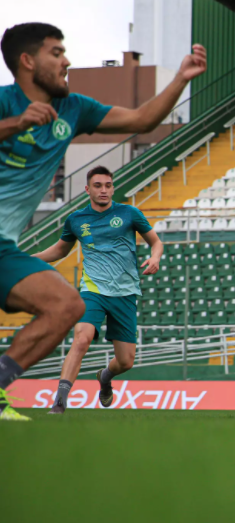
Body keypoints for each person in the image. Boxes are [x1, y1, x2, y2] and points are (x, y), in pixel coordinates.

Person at [0, 23, 206, 421]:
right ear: (28, 61)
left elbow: (143, 119)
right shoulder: (5, 103)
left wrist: (181, 79)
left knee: (65, 306)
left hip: (6, 249)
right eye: (56, 53)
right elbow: (62, 246)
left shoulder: (73, 109)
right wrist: (17, 124)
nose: (67, 61)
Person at [32, 166, 163, 414]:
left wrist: (155, 257)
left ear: (113, 187)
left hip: (125, 293)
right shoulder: (76, 219)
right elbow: (60, 250)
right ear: (87, 189)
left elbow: (156, 242)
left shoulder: (130, 213)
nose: (104, 190)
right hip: (92, 290)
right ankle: (59, 401)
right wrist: (27, 258)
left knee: (126, 361)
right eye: (98, 185)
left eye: (108, 185)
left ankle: (105, 377)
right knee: (81, 340)